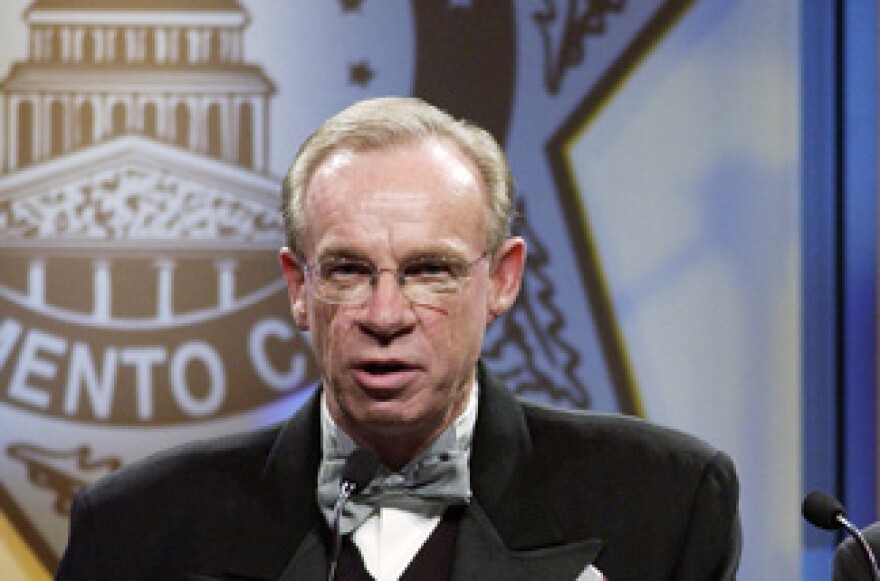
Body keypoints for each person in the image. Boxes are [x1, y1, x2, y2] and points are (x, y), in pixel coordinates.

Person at [56, 97, 741, 580]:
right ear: (298, 286)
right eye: (349, 270)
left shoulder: (663, 503)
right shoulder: (136, 529)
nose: (386, 313)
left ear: (501, 280)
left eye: (429, 270)